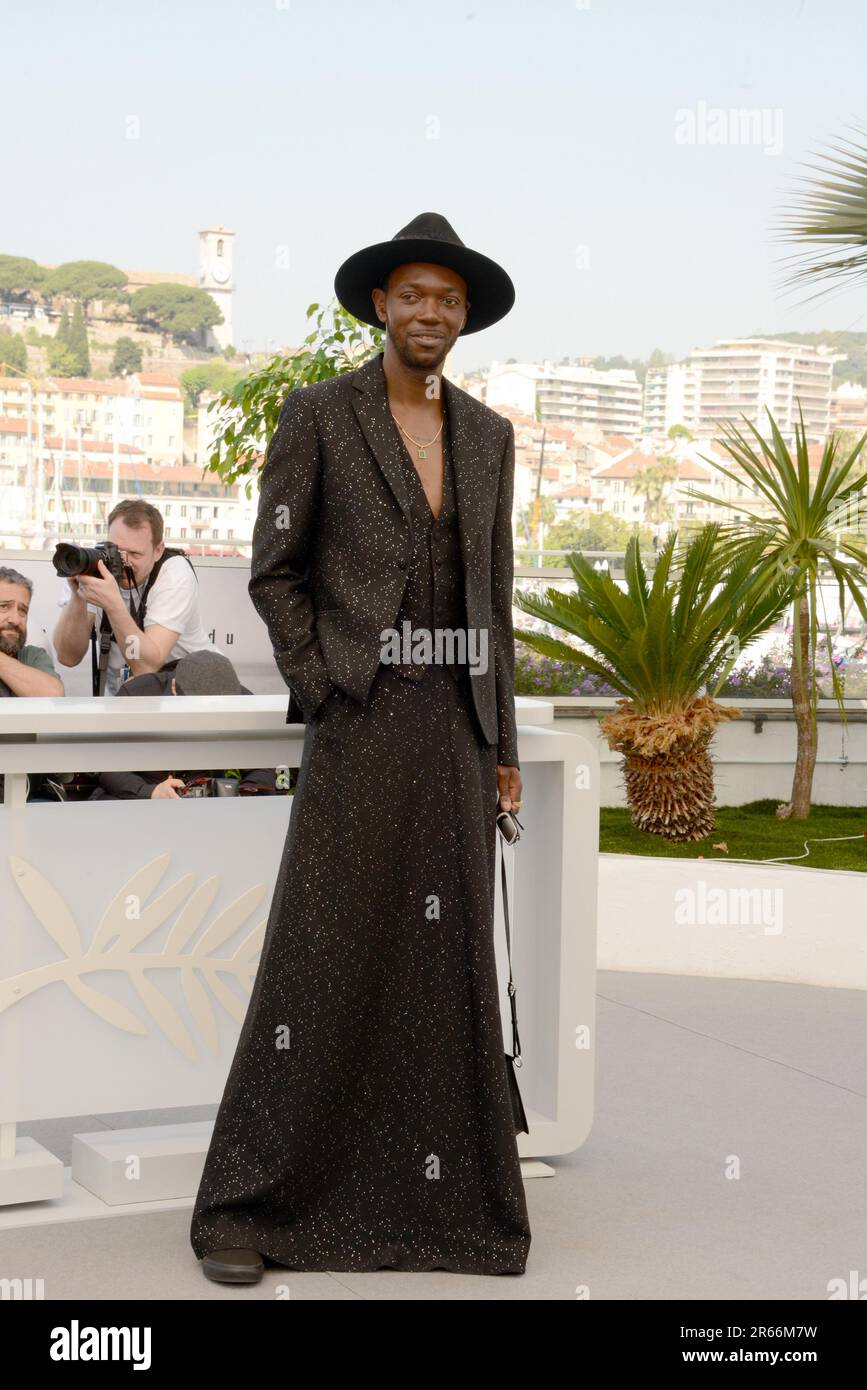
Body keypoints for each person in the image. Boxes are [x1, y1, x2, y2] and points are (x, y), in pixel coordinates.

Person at [190, 211, 531, 1282]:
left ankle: (447, 1209)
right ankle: (245, 1204)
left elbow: (498, 600)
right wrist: (324, 683)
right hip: (362, 719)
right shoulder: (319, 415)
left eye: (450, 298)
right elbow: (273, 570)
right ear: (381, 304)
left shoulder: (488, 435)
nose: (431, 311)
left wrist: (504, 740)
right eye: (413, 294)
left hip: (459, 729)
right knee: (318, 957)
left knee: (446, 964)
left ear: (463, 317)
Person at [52, 498, 222, 695]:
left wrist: (113, 604)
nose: (123, 561)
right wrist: (78, 596)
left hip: (194, 691)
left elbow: (145, 667)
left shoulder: (173, 572)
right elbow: (68, 657)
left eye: (134, 554)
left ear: (158, 550)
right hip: (131, 696)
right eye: (117, 550)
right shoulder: (93, 565)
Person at [86, 649, 278, 800]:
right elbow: (107, 764)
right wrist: (149, 792)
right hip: (139, 798)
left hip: (208, 803)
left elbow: (262, 762)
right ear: (174, 689)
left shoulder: (241, 699)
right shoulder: (137, 694)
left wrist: (244, 795)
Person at [0, 566, 65, 802]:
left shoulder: (32, 657)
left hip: (28, 791)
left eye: (23, 610)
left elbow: (52, 696)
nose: (15, 619)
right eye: (4, 607)